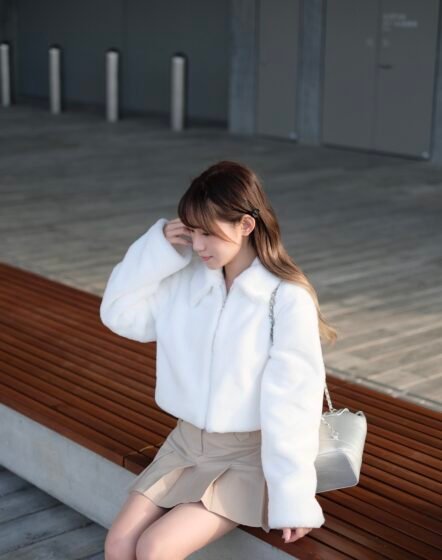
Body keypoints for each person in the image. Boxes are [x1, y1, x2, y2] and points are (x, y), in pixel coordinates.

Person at [100, 160, 338, 560]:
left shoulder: (285, 298)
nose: (197, 245)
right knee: (120, 544)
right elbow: (119, 314)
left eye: (207, 232)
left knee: (155, 548)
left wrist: (293, 496)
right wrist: (156, 248)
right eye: (192, 231)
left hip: (248, 456)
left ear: (246, 225)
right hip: (184, 445)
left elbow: (294, 403)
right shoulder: (184, 283)